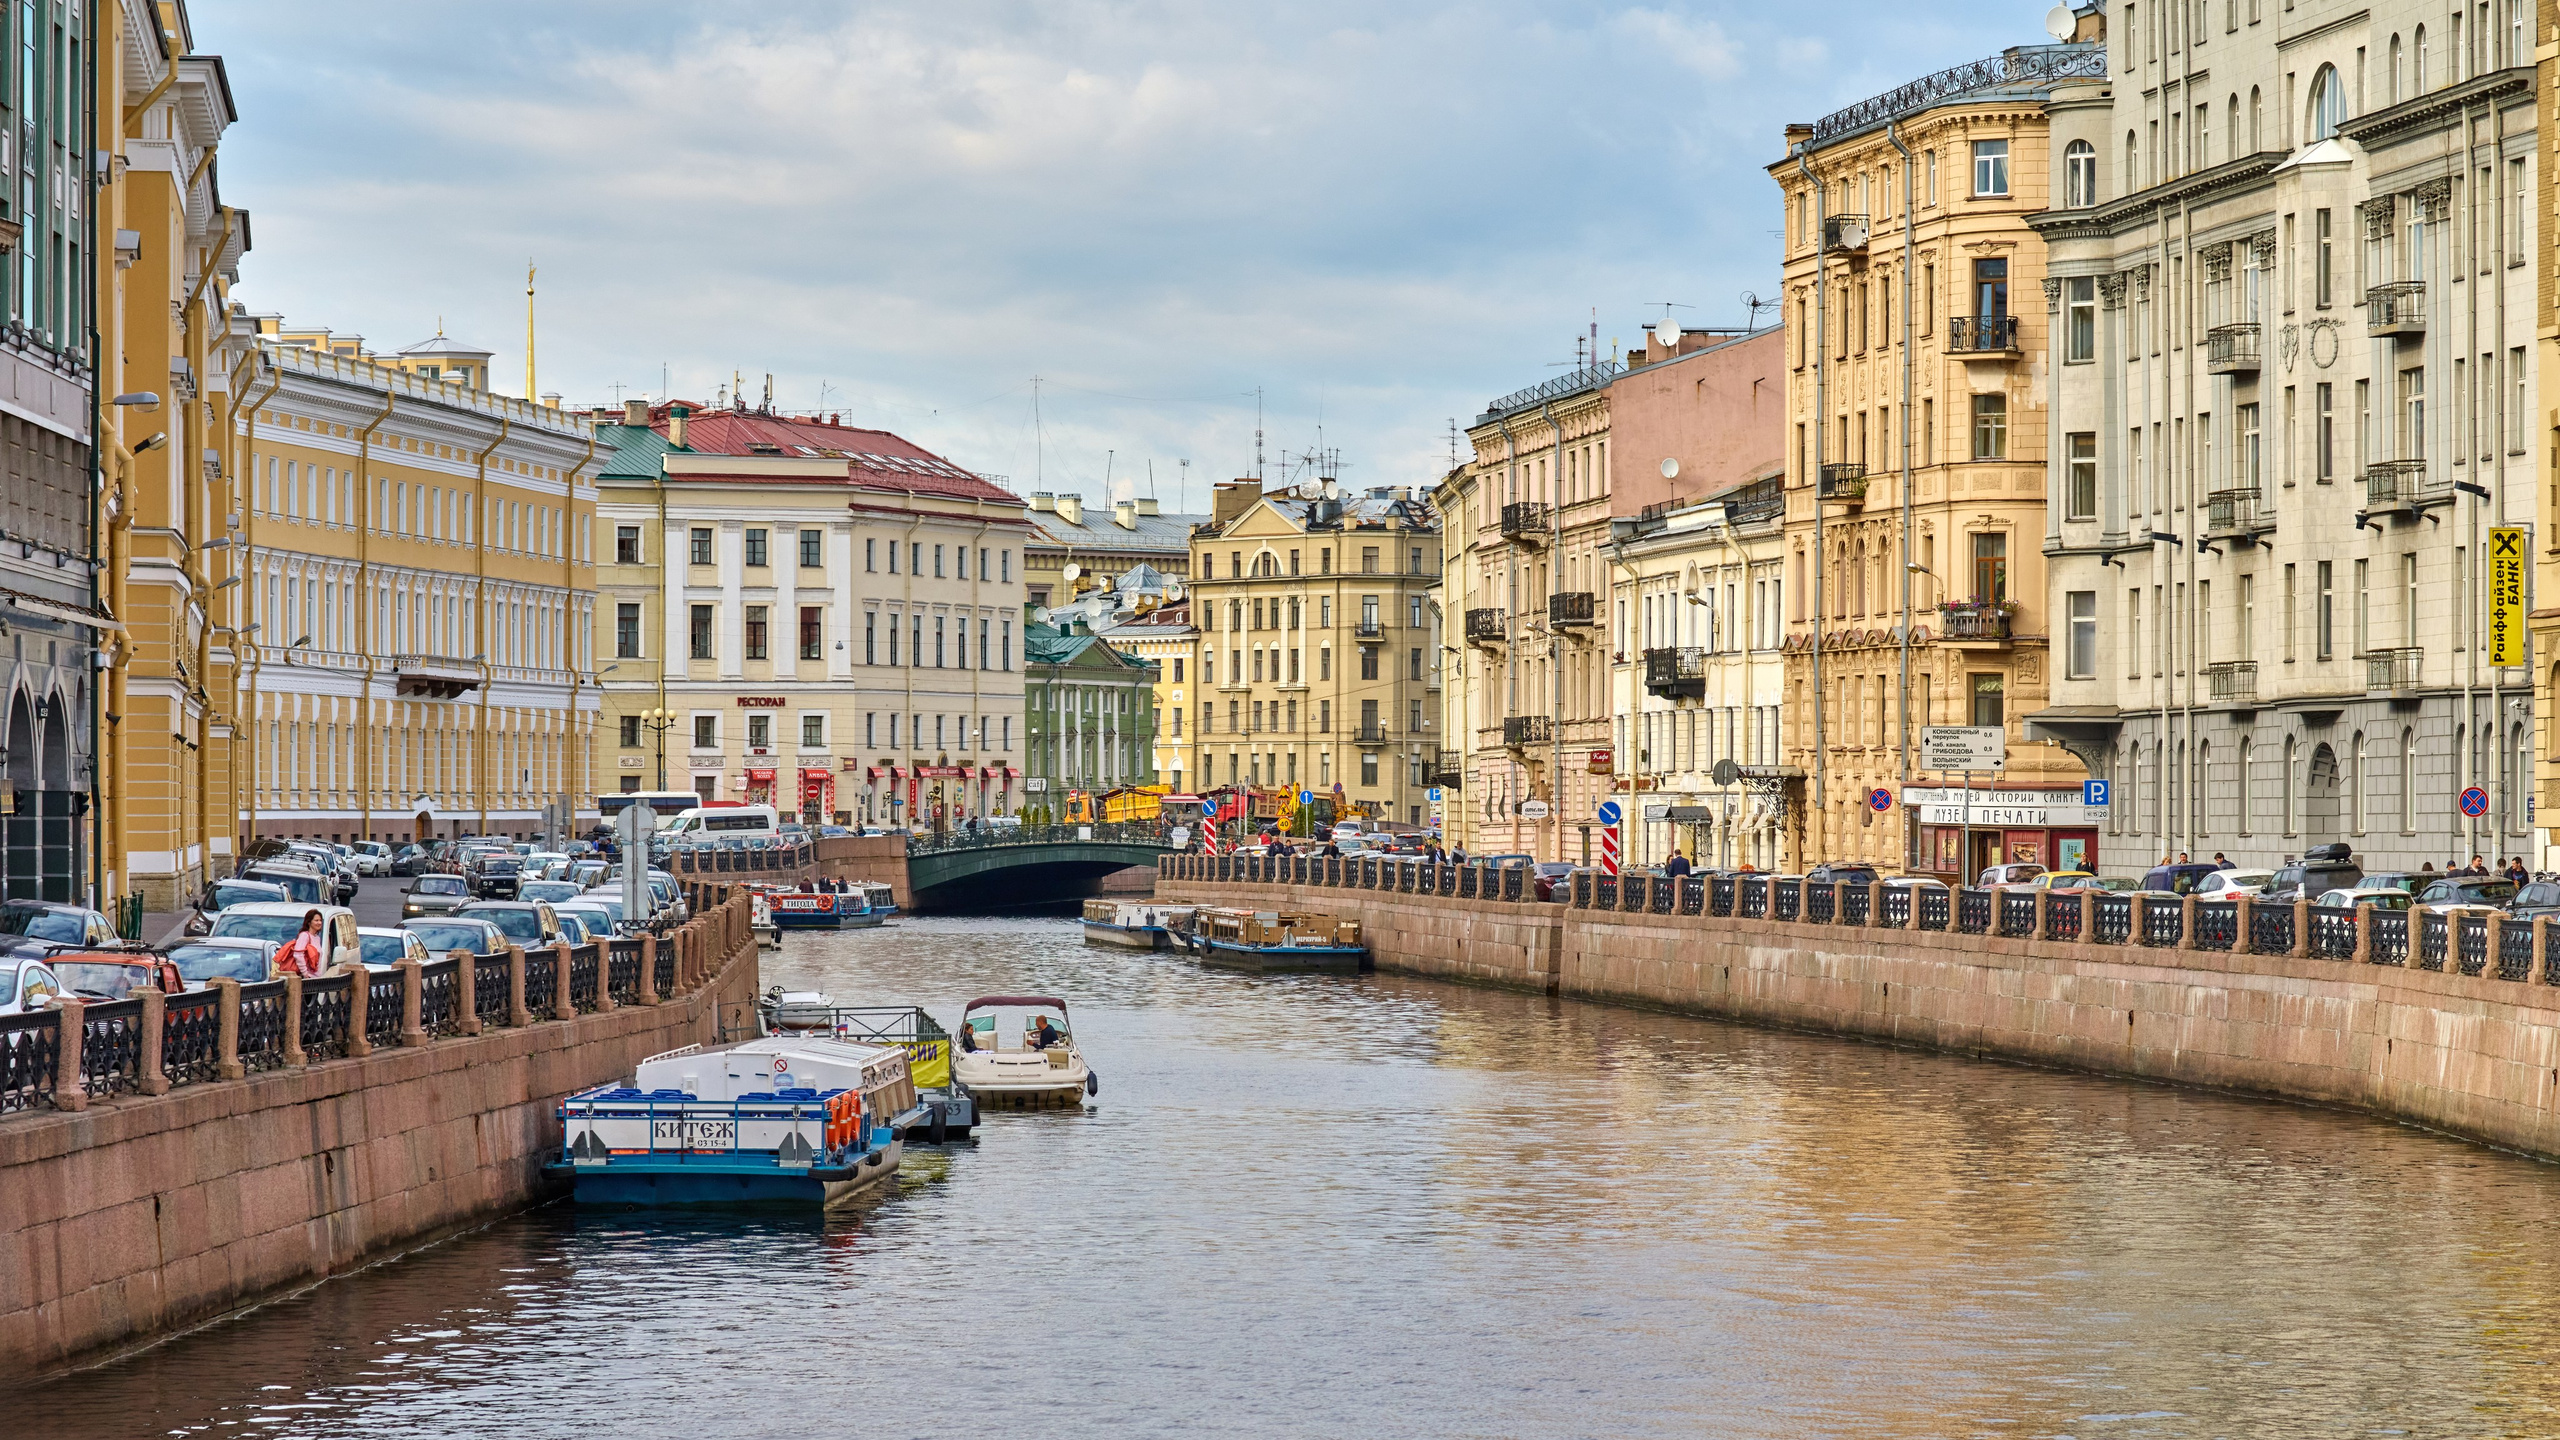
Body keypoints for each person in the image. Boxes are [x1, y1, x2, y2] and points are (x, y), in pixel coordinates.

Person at [276, 909, 329, 978]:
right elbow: (298, 954)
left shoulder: (317, 937)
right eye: (316, 920)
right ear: (309, 922)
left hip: (315, 977)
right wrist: (305, 973)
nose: (319, 923)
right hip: (306, 979)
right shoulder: (304, 936)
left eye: (320, 920)